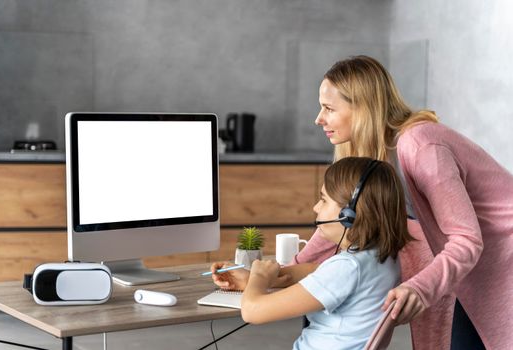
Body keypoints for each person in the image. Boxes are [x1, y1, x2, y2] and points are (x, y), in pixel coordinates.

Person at [294, 55, 513, 349]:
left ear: (362, 108)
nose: (319, 118)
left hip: (503, 262)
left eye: (329, 108)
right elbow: (341, 216)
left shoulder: (422, 146)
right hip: (476, 270)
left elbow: (466, 240)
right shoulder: (373, 156)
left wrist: (420, 288)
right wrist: (287, 271)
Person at [211, 157, 414, 350]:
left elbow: (252, 312)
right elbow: (318, 271)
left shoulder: (347, 268)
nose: (315, 207)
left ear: (349, 216)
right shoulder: (382, 258)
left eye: (323, 200)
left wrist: (259, 276)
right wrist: (262, 279)